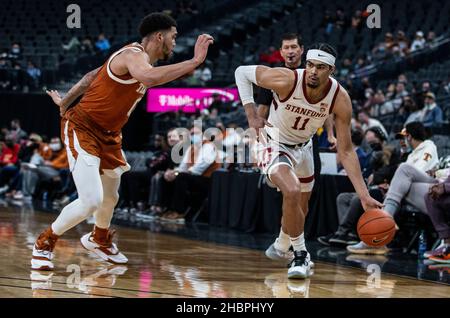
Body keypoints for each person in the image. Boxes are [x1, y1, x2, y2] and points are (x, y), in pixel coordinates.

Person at [32, 12, 214, 271]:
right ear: (159, 36)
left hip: (109, 135)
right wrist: (195, 60)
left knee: (110, 197)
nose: (175, 43)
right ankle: (44, 242)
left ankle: (99, 239)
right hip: (83, 127)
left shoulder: (134, 60)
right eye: (173, 37)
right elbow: (149, 79)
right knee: (91, 200)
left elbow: (88, 78)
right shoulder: (133, 55)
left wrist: (65, 100)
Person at [235, 43, 382, 279]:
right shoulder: (287, 79)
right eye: (310, 65)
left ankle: (283, 243)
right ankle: (301, 254)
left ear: (331, 70)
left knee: (301, 207)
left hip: (304, 146)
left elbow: (345, 151)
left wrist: (363, 195)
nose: (313, 71)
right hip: (273, 142)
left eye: (321, 67)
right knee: (291, 190)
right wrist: (251, 115)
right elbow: (241, 72)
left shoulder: (340, 98)